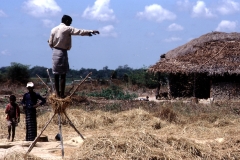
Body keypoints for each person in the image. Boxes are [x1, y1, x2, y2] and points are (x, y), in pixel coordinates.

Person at [48, 15, 100, 98]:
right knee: (63, 75)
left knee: (56, 75)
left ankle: (57, 94)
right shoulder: (67, 28)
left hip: (54, 52)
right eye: (70, 22)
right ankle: (62, 95)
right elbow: (79, 31)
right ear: (67, 21)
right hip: (62, 52)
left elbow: (50, 43)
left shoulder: (53, 29)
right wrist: (90, 31)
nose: (71, 23)